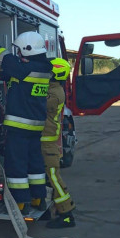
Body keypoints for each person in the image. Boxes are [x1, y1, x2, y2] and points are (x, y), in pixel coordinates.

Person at [0, 32, 52, 214]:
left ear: (28, 49)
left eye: (20, 51)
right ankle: (38, 198)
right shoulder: (43, 69)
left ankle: (20, 202)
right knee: (35, 163)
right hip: (35, 127)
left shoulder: (23, 69)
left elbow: (7, 60)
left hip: (19, 127)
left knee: (16, 164)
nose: (18, 54)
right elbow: (13, 76)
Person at [40, 58, 76, 228]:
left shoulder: (54, 93)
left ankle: (66, 214)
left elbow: (38, 103)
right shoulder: (52, 89)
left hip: (48, 144)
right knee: (45, 179)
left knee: (54, 178)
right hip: (43, 142)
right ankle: (47, 210)